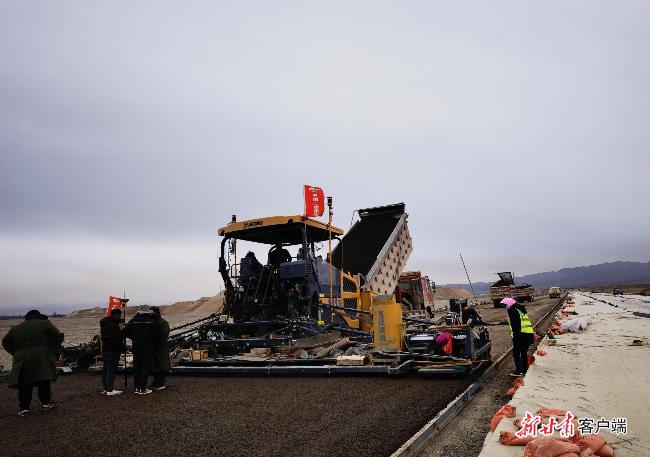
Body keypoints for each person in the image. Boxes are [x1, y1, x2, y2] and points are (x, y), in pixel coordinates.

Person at [2, 310, 64, 416]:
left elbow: (5, 342)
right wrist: (52, 350)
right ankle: (46, 403)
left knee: (24, 383)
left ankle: (24, 408)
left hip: (22, 359)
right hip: (41, 357)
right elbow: (58, 336)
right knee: (43, 380)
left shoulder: (15, 328)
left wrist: (16, 352)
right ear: (38, 316)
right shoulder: (45, 324)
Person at [124, 305, 159, 395]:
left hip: (136, 348)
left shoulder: (133, 320)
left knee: (137, 368)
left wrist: (134, 338)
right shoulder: (152, 321)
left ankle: (137, 388)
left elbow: (126, 332)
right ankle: (143, 388)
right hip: (148, 348)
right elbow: (156, 335)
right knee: (145, 368)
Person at [502, 297, 534, 377]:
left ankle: (519, 372)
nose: (505, 307)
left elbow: (516, 325)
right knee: (523, 352)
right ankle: (525, 369)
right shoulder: (521, 309)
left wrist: (515, 338)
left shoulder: (512, 310)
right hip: (528, 334)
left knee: (516, 353)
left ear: (509, 304)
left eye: (505, 305)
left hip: (520, 335)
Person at [99, 308, 124, 395]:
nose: (120, 317)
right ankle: (110, 389)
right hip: (113, 350)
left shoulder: (104, 323)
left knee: (105, 369)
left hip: (105, 349)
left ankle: (106, 388)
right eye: (119, 315)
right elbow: (118, 337)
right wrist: (121, 328)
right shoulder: (114, 325)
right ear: (116, 315)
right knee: (111, 369)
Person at [150, 307, 170, 391]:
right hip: (157, 347)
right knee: (158, 366)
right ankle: (157, 383)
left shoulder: (161, 322)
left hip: (159, 347)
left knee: (160, 366)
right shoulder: (160, 322)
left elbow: (164, 334)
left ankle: (158, 383)